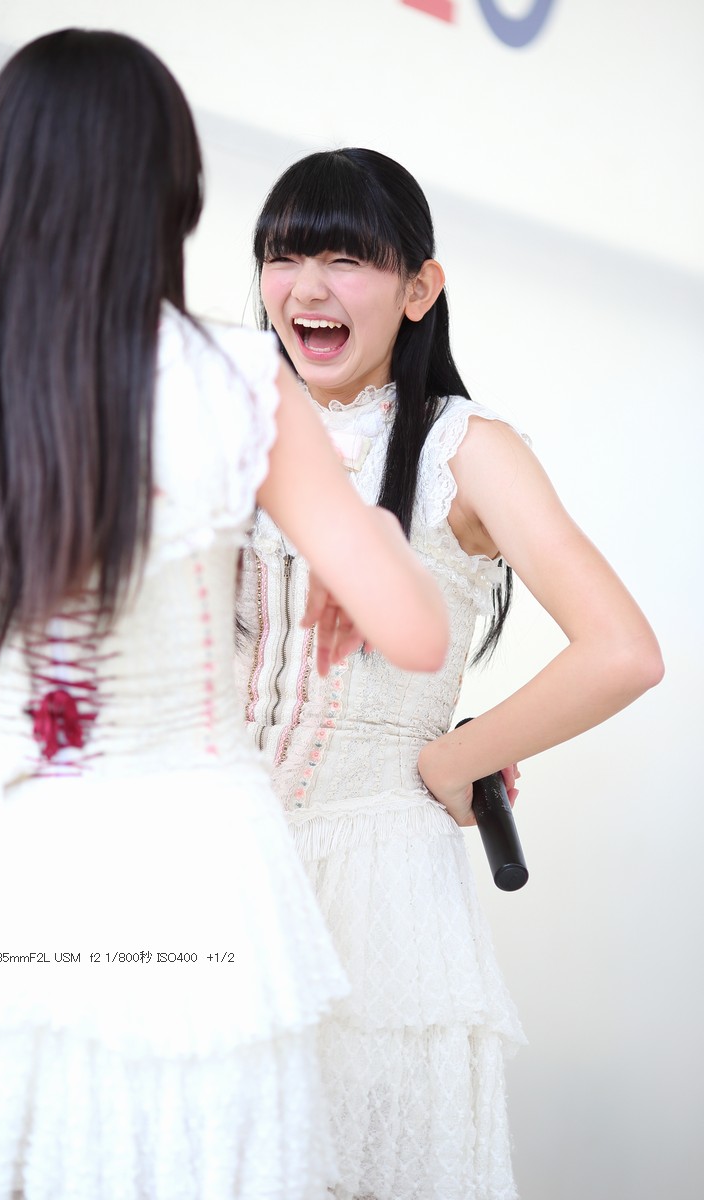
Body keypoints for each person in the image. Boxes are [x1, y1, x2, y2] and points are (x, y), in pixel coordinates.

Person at [0, 44, 450, 1200]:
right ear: (174, 191)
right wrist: (371, 542)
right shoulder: (230, 378)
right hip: (186, 865)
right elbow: (413, 633)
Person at [238, 147, 665, 1200]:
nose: (307, 288)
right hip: (215, 861)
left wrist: (454, 759)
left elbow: (622, 650)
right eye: (284, 256)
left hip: (380, 883)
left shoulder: (466, 449)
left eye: (346, 259)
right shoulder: (230, 428)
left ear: (419, 288)